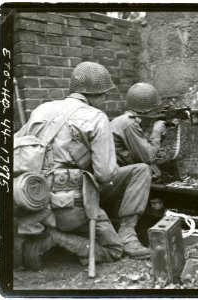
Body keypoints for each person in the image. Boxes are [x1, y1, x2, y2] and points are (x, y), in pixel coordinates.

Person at [15, 62, 152, 271]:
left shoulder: (42, 109)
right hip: (72, 204)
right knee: (114, 249)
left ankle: (45, 236)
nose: (105, 99)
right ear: (95, 93)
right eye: (104, 94)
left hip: (34, 197)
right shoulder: (95, 117)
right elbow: (105, 174)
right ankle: (56, 238)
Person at [110, 82, 167, 168]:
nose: (157, 112)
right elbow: (148, 158)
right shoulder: (130, 123)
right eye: (155, 110)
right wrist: (156, 131)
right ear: (145, 110)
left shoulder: (126, 120)